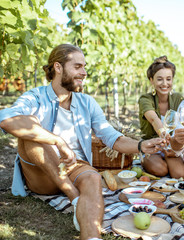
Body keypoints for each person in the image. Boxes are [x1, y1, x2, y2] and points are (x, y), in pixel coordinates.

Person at [0, 44, 164, 240]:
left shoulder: (87, 102)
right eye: (77, 66)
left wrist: (140, 146)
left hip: (74, 165)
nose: (84, 72)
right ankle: (74, 197)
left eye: (84, 67)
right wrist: (57, 141)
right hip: (42, 174)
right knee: (33, 135)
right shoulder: (35, 97)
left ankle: (92, 237)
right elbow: (7, 119)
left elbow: (109, 135)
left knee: (93, 177)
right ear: (58, 67)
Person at [138, 56, 184, 179]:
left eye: (168, 79)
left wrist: (173, 146)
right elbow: (154, 120)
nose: (165, 84)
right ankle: (152, 161)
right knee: (161, 170)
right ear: (151, 80)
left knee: (181, 175)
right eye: (159, 79)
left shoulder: (178, 99)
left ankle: (168, 158)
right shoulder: (145, 99)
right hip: (152, 146)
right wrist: (164, 135)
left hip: (171, 147)